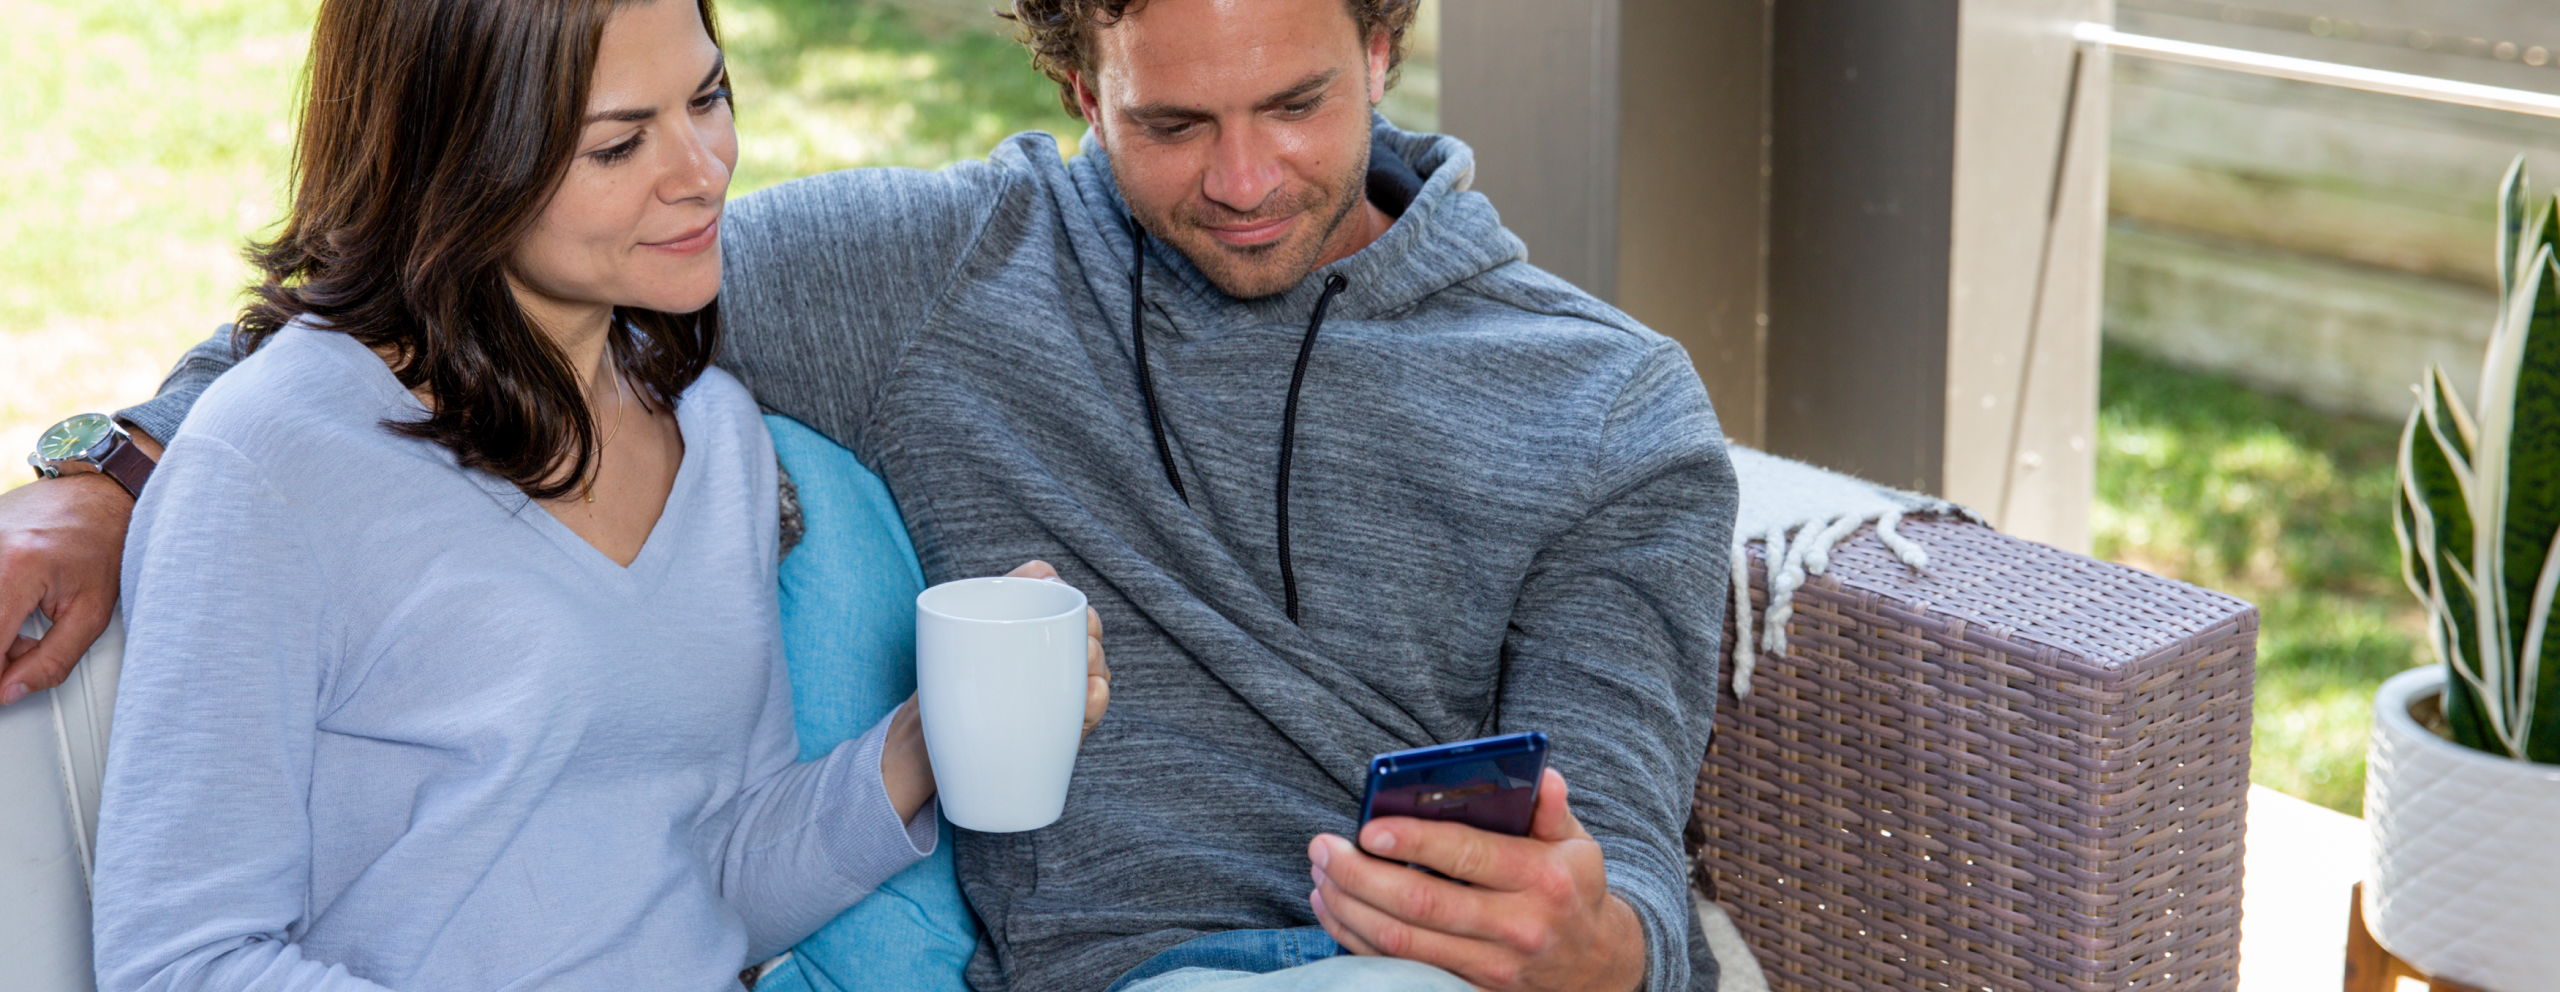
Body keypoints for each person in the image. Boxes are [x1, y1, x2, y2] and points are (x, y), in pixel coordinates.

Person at [1, 0, 1736, 989]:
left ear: (1387, 38)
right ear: (1076, 81)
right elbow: (434, 285)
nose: (1246, 180)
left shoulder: (1606, 410)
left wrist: (1600, 949)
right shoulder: (937, 273)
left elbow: (1641, 887)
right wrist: (117, 469)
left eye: (1300, 101)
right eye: (1170, 123)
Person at [68, 0, 1107, 989]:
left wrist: (929, 738)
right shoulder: (272, 467)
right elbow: (183, 957)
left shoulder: (712, 432)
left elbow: (706, 880)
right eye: (619, 146)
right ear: (461, 160)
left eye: (707, 99)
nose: (704, 173)